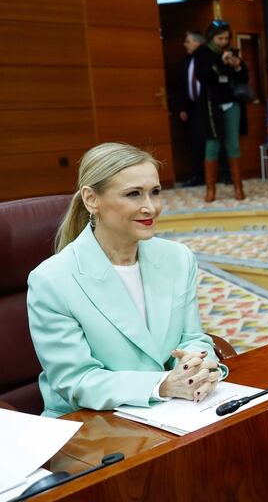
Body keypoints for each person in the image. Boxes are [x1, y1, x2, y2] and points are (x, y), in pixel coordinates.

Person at [27, 143, 225, 417]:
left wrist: (198, 368)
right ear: (91, 199)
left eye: (155, 192)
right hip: (91, 425)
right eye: (133, 194)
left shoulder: (178, 258)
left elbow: (192, 338)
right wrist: (162, 385)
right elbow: (76, 381)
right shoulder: (50, 280)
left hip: (175, 412)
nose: (151, 207)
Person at [194, 19, 248, 202]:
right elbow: (203, 76)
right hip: (211, 105)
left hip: (231, 103)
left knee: (233, 144)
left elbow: (244, 77)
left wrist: (237, 65)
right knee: (212, 145)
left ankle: (238, 187)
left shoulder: (232, 51)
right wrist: (219, 62)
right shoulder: (202, 53)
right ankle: (210, 189)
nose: (224, 42)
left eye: (226, 38)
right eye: (220, 38)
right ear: (211, 38)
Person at [172, 31, 206, 187]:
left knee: (212, 143)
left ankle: (223, 175)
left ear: (197, 43)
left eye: (188, 41)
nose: (185, 44)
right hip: (192, 108)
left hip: (208, 105)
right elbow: (181, 87)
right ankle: (197, 177)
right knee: (195, 143)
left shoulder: (207, 58)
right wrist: (182, 108)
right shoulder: (185, 61)